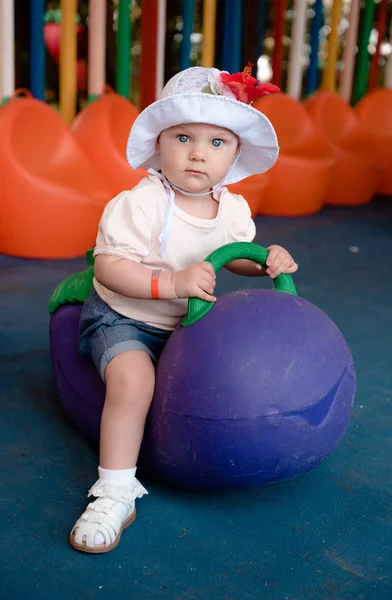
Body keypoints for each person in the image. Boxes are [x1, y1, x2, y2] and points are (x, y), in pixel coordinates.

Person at [69, 65, 298, 553]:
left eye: (217, 143)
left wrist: (267, 264)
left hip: (191, 326)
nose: (198, 153)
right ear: (159, 143)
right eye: (184, 137)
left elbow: (238, 256)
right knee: (134, 380)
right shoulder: (143, 202)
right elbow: (108, 267)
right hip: (127, 317)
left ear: (236, 153)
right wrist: (170, 282)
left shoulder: (233, 209)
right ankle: (115, 490)